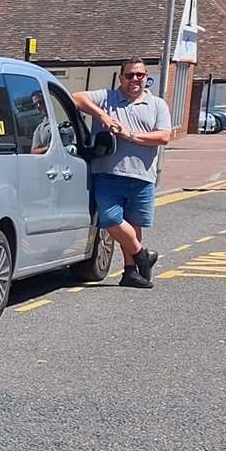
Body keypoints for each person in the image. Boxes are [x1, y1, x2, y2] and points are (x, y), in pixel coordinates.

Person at [73, 59, 170, 289]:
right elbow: (76, 98)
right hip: (108, 173)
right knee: (111, 218)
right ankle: (142, 254)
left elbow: (164, 137)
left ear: (146, 77)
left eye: (140, 75)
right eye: (129, 75)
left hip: (142, 175)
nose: (135, 79)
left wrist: (130, 135)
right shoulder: (107, 98)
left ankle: (130, 271)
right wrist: (102, 116)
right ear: (120, 78)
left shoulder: (157, 105)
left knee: (134, 223)